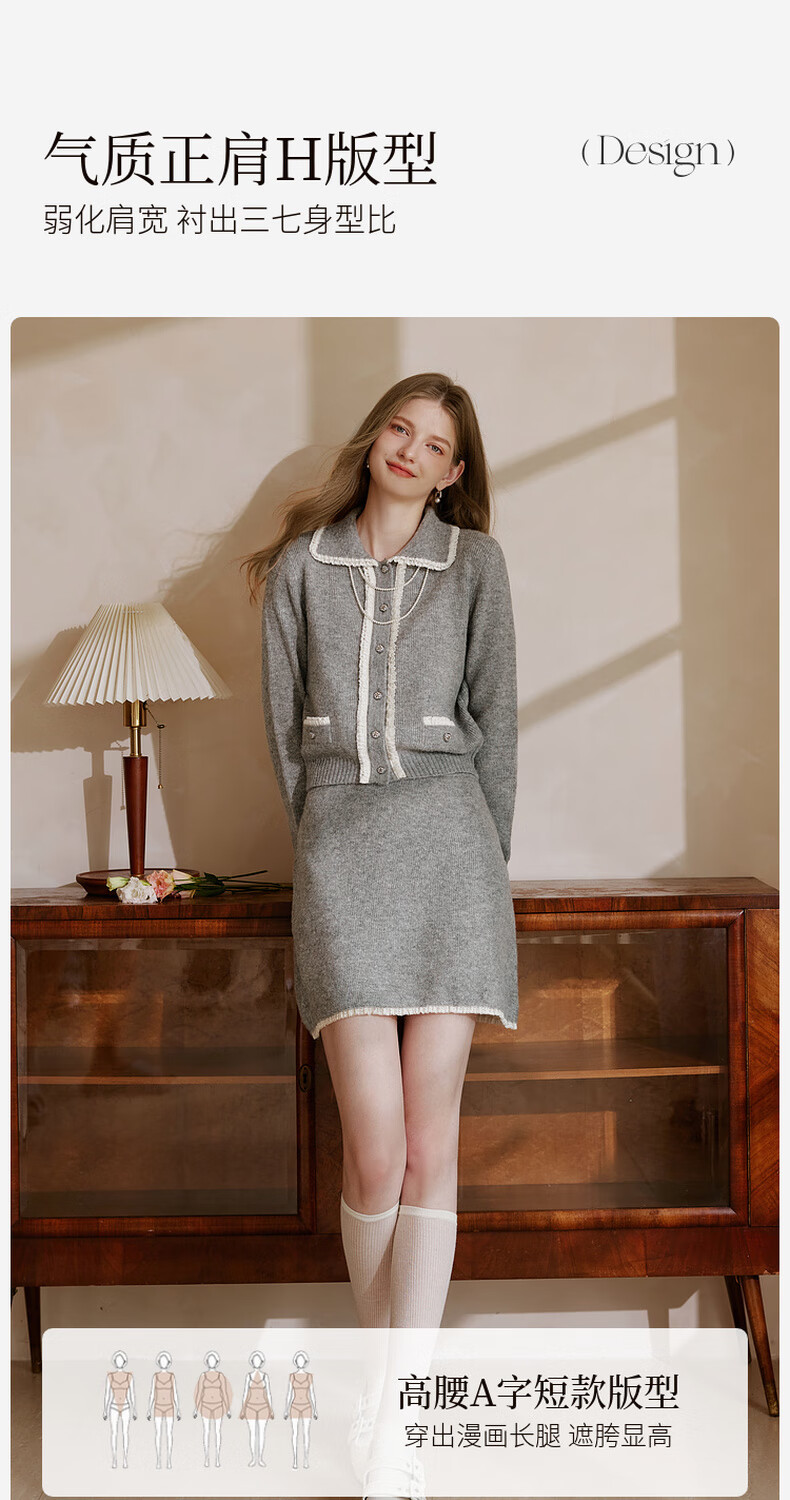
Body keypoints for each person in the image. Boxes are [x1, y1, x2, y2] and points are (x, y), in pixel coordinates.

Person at [247, 370, 518, 1340]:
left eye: (435, 445)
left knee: (428, 1151)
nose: (410, 451)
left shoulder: (476, 564)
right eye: (401, 429)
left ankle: (399, 1400)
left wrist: (487, 866)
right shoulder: (300, 567)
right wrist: (324, 842)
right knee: (374, 1155)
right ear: (375, 437)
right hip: (343, 861)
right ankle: (384, 1375)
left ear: (452, 474)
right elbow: (283, 734)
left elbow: (498, 722)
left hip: (454, 862)